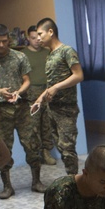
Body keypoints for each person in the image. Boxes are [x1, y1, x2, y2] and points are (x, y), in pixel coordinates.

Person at [0, 23, 41, 198]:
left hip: (22, 108)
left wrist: (19, 92)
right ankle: (7, 186)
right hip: (1, 110)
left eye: (4, 41)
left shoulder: (20, 57)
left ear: (9, 40)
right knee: (3, 148)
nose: (1, 45)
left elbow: (27, 80)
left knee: (32, 144)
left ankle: (36, 181)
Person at [32, 17, 83, 176]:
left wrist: (56, 87)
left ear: (51, 32)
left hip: (66, 109)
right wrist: (40, 99)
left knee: (68, 149)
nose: (38, 38)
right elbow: (52, 82)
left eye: (40, 34)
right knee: (61, 148)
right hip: (52, 108)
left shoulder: (67, 51)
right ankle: (71, 180)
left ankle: (74, 183)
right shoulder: (50, 54)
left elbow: (79, 75)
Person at [20, 25, 57, 167]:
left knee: (47, 123)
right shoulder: (22, 55)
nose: (37, 40)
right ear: (28, 38)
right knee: (33, 126)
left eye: (39, 37)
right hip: (31, 94)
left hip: (47, 92)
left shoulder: (48, 52)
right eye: (33, 38)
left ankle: (47, 152)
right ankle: (36, 155)